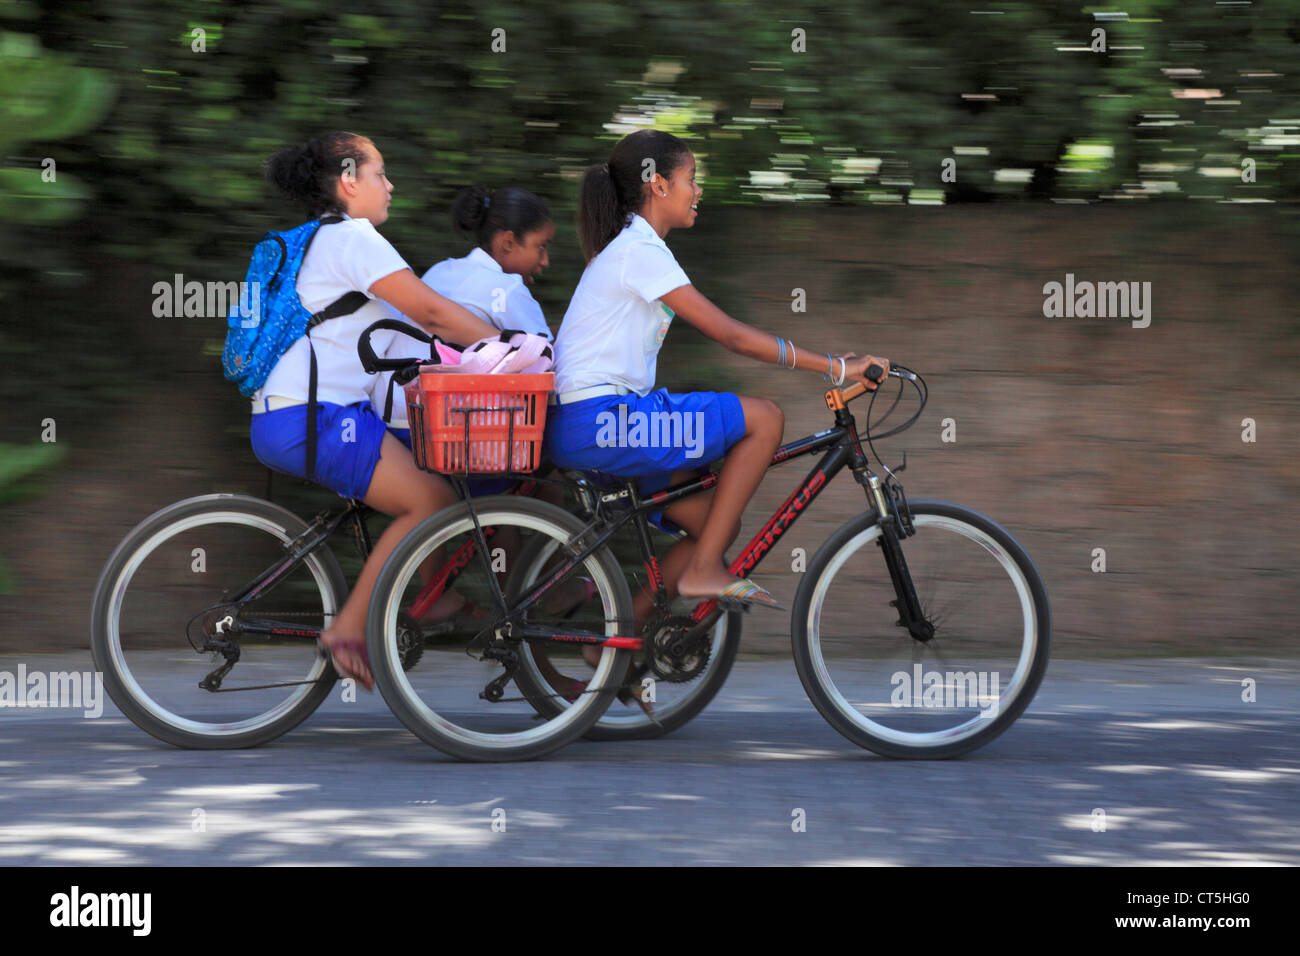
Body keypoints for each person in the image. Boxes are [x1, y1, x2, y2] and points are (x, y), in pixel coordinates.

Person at [546, 128, 890, 630]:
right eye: (692, 178)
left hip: (607, 420)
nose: (698, 190)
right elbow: (731, 336)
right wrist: (838, 367)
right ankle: (705, 571)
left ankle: (619, 642)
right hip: (600, 421)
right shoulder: (637, 251)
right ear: (658, 185)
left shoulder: (634, 249)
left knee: (714, 526)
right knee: (764, 419)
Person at [249, 131, 501, 691]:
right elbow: (432, 311)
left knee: (432, 475)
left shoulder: (327, 241)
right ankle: (349, 628)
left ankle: (429, 600)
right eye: (380, 173)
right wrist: (509, 349)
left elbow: (415, 333)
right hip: (313, 418)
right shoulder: (353, 238)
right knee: (430, 503)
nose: (390, 185)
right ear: (348, 181)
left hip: (295, 414)